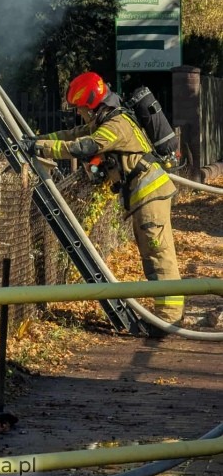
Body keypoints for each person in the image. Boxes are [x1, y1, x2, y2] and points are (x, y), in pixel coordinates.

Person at [31, 71, 184, 327]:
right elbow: (72, 135)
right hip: (145, 196)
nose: (80, 114)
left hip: (150, 195)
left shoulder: (115, 126)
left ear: (92, 106)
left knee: (158, 254)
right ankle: (168, 316)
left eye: (81, 109)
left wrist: (40, 149)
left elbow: (85, 146)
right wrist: (38, 140)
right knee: (152, 253)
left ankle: (170, 319)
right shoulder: (104, 121)